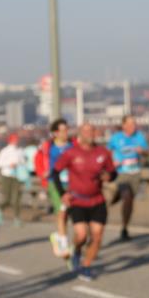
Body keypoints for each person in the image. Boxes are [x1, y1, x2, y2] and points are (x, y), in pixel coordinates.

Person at [52, 123, 117, 280]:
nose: (89, 134)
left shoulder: (103, 152)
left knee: (97, 236)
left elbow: (113, 173)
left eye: (92, 131)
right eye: (86, 131)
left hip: (97, 200)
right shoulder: (71, 153)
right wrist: (62, 194)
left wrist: (109, 177)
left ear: (95, 133)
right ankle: (76, 250)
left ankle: (86, 265)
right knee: (81, 235)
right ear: (80, 134)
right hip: (77, 201)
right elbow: (55, 173)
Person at [108, 115, 149, 241]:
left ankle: (124, 227)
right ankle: (110, 199)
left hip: (135, 173)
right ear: (123, 125)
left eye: (134, 124)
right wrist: (113, 162)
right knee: (127, 195)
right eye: (130, 124)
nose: (133, 126)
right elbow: (107, 153)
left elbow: (147, 152)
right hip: (121, 173)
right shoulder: (116, 138)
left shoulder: (139, 136)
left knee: (129, 200)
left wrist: (142, 151)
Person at [39, 119, 72, 256]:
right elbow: (39, 160)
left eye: (67, 130)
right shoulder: (49, 147)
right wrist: (44, 172)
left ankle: (58, 235)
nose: (65, 133)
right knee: (61, 211)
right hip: (55, 183)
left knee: (67, 213)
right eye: (62, 130)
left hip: (71, 183)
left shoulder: (72, 145)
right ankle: (63, 243)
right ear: (55, 133)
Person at [0, 133, 25, 226]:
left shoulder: (20, 151)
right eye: (14, 140)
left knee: (16, 198)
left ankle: (17, 218)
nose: (16, 141)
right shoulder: (5, 151)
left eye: (17, 139)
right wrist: (9, 164)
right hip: (7, 175)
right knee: (7, 198)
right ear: (10, 140)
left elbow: (23, 162)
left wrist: (20, 163)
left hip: (17, 176)